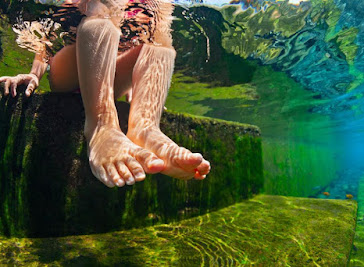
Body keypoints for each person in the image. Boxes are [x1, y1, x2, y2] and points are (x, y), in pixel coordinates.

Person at [0, 0, 210, 187]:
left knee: (160, 43)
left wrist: (139, 95)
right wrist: (34, 75)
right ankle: (102, 126)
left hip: (110, 78)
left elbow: (140, 52)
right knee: (102, 11)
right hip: (71, 68)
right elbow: (46, 38)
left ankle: (146, 129)